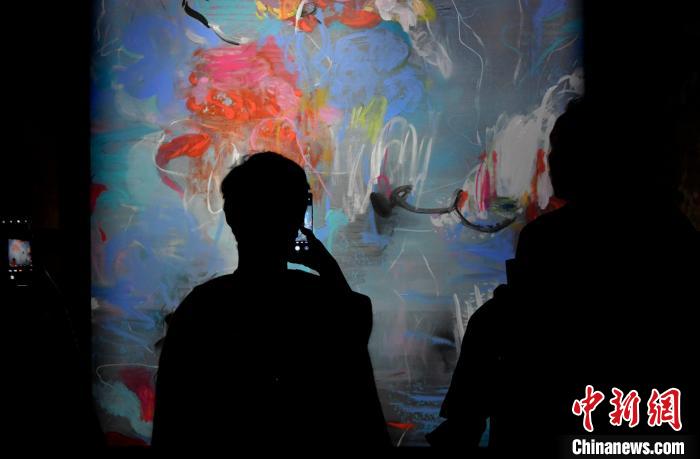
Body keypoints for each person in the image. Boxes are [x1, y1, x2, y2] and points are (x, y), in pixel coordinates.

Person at [427, 99, 698, 456]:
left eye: (560, 149)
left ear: (593, 159)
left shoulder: (549, 238)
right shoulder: (676, 233)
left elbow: (511, 324)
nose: (550, 160)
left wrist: (466, 416)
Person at [152, 152, 390, 449]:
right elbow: (358, 392)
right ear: (298, 217)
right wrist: (328, 268)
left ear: (231, 216)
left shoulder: (201, 308)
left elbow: (171, 422)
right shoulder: (320, 302)